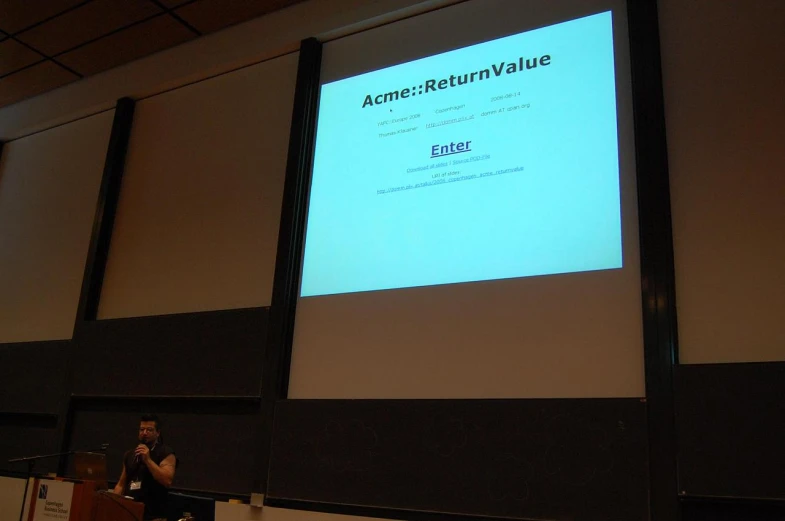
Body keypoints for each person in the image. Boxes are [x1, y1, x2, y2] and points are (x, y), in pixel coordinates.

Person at [113, 414, 177, 521]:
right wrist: (113, 503)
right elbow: (121, 484)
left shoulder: (166, 453)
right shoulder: (129, 454)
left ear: (158, 433)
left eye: (149, 430)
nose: (144, 433)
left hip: (154, 515)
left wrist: (148, 460)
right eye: (142, 429)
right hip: (130, 511)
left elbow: (167, 480)